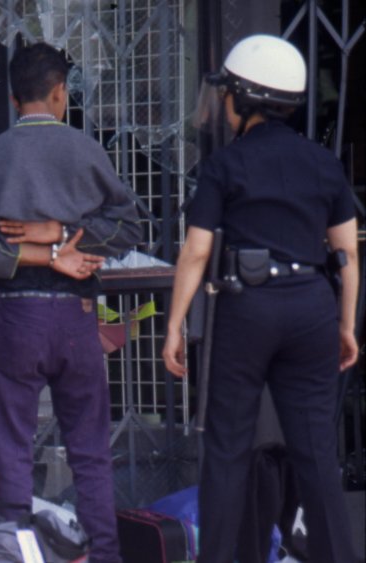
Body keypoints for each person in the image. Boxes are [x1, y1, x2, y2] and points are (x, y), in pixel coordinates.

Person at [163, 34, 359, 562]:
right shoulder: (323, 163)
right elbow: (346, 253)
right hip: (311, 305)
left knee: (227, 448)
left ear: (244, 98)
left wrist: (176, 325)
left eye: (227, 93)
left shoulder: (224, 166)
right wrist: (345, 325)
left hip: (246, 306)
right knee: (316, 451)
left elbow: (196, 252)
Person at [0, 43, 143, 563]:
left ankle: (15, 554)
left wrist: (39, 247)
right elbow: (132, 225)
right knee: (89, 452)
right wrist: (65, 241)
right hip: (76, 318)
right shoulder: (86, 151)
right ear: (61, 93)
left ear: (14, 97)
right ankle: (104, 556)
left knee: (10, 452)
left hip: (15, 317)